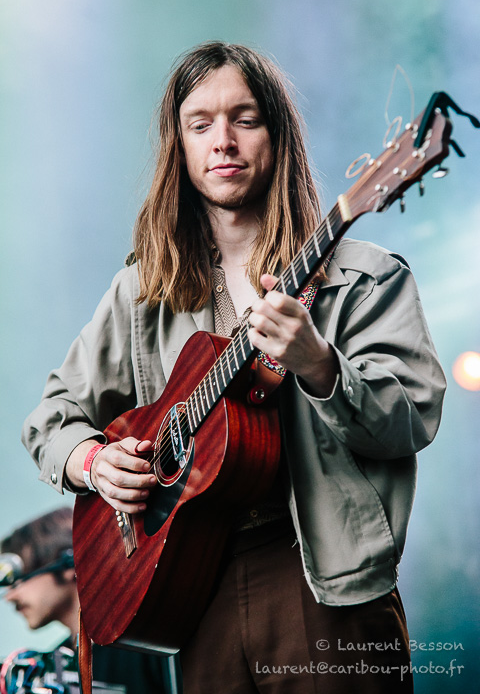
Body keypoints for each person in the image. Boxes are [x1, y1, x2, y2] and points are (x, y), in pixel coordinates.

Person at [22, 41, 446, 693]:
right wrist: (92, 462)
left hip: (322, 587)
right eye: (201, 124)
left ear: (277, 137)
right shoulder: (142, 293)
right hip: (190, 589)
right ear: (180, 148)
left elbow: (410, 420)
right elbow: (51, 418)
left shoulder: (365, 278)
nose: (223, 141)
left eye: (245, 119)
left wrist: (319, 365)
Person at [0, 507, 177, 693]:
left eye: (17, 581)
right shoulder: (53, 670)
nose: (9, 597)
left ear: (68, 562)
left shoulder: (147, 639)